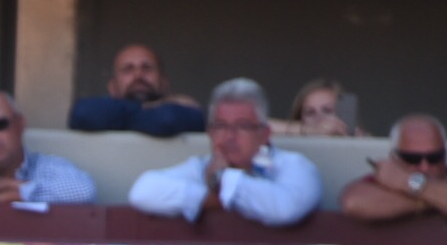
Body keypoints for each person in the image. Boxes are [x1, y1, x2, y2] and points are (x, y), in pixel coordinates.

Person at [128, 78, 321, 227]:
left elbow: (284, 209)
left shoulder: (294, 165)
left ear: (265, 134)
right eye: (220, 126)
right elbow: (142, 192)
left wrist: (223, 180)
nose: (229, 136)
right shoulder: (203, 166)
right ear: (210, 133)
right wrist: (209, 198)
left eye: (242, 126)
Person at [339, 113, 447, 225]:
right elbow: (353, 203)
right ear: (394, 158)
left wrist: (407, 182)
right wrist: (444, 196)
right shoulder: (387, 179)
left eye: (434, 158)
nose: (424, 167)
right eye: (413, 159)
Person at [68, 43, 204, 137]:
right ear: (112, 87)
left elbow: (169, 119)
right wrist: (150, 108)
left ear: (164, 83)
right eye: (128, 69)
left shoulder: (183, 111)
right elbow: (83, 113)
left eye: (147, 68)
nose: (138, 75)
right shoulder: (97, 111)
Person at [268, 78, 361, 136]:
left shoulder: (359, 141)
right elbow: (259, 126)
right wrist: (311, 130)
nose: (319, 118)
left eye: (327, 111)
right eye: (310, 113)